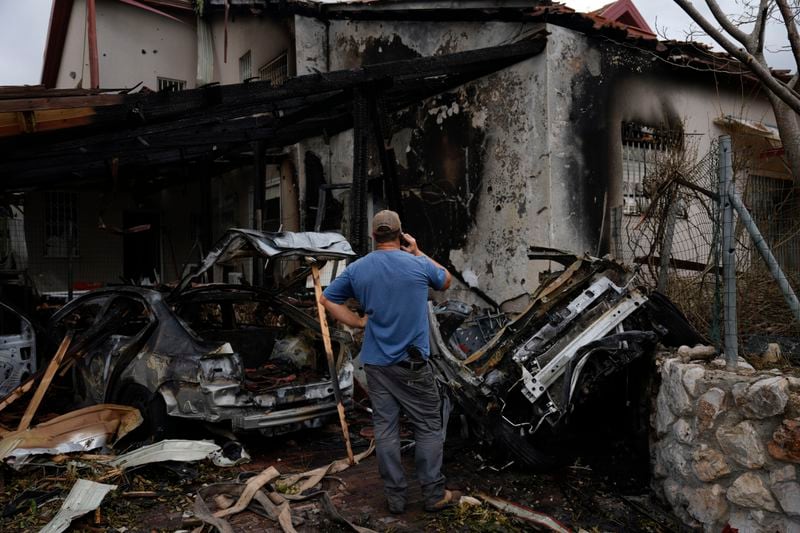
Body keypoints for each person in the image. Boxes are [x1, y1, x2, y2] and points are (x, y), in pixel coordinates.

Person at [320, 209, 461, 514]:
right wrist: (418, 250)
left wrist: (357, 323)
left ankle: (396, 498)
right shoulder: (417, 264)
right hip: (412, 367)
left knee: (385, 429)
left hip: (376, 364)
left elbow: (327, 298)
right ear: (400, 235)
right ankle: (433, 494)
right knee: (427, 426)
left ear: (373, 237)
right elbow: (446, 280)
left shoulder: (359, 269)